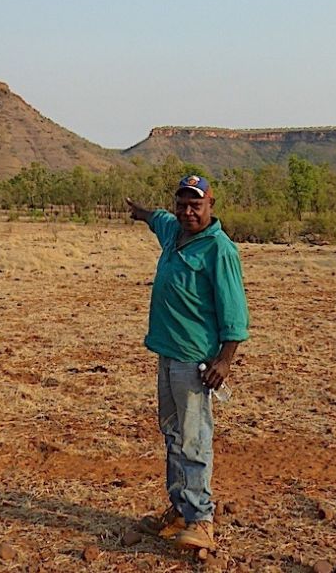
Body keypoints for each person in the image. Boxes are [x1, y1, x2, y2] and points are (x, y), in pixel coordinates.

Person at [126, 173, 250, 552]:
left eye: (195, 204)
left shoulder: (219, 249)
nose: (188, 211)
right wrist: (141, 213)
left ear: (211, 205)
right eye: (183, 204)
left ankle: (201, 521)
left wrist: (225, 360)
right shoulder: (173, 231)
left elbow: (235, 311)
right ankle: (180, 511)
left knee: (194, 439)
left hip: (195, 360)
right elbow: (157, 218)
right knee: (174, 433)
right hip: (166, 353)